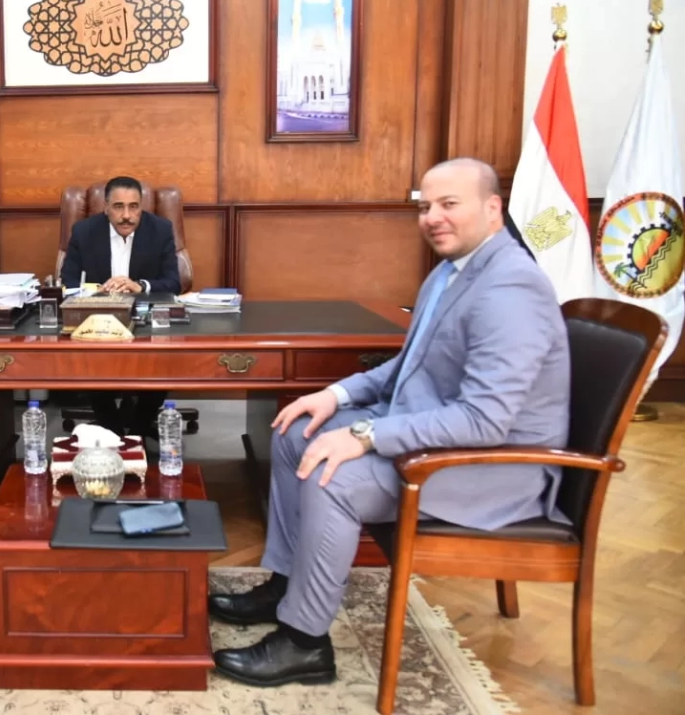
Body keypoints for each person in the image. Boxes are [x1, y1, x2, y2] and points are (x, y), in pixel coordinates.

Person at [208, 157, 571, 687]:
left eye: (450, 204)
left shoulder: (511, 288)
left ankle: (304, 644)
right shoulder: (452, 272)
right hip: (436, 438)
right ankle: (286, 584)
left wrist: (365, 435)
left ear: (493, 209)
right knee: (294, 433)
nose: (433, 217)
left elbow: (485, 420)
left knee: (333, 475)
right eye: (426, 206)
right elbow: (409, 364)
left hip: (491, 469)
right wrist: (334, 395)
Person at [59, 175, 181, 439]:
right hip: (98, 320)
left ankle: (137, 432)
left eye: (133, 207)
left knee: (160, 361)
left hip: (145, 321)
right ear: (106, 207)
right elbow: (68, 282)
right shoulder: (84, 232)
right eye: (118, 207)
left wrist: (140, 286)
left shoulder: (160, 230)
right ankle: (112, 431)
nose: (126, 215)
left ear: (141, 207)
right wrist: (98, 291)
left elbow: (174, 282)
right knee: (91, 362)